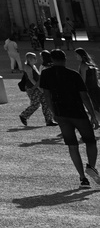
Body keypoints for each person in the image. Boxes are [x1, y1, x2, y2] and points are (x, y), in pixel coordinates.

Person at [41, 49, 99, 187]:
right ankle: (91, 166)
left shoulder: (46, 74)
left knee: (73, 146)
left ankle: (82, 178)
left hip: (61, 114)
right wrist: (92, 115)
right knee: (90, 142)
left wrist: (53, 112)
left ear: (52, 60)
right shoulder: (73, 75)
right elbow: (84, 96)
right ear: (65, 59)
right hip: (78, 112)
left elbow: (47, 96)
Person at [20, 52, 49, 127]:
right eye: (34, 58)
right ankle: (24, 115)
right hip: (32, 88)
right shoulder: (27, 67)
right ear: (29, 59)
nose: (36, 59)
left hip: (37, 87)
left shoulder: (34, 66)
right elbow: (31, 78)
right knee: (35, 104)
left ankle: (49, 120)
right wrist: (38, 87)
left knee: (45, 102)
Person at [77, 49, 100, 126]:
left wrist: (79, 90)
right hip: (95, 88)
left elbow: (83, 79)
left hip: (89, 89)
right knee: (95, 107)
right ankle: (94, 122)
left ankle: (95, 121)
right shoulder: (91, 64)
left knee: (93, 108)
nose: (76, 57)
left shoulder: (83, 65)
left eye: (77, 55)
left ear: (81, 56)